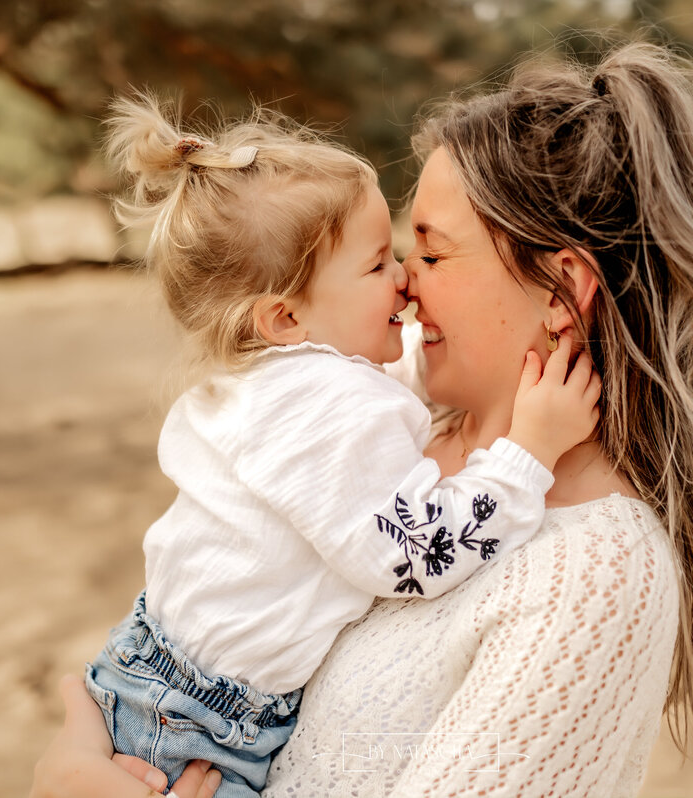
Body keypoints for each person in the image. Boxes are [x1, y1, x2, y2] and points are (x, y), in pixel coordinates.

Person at [31, 41, 693, 798]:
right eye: (390, 256)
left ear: (560, 290)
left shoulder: (592, 578)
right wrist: (66, 770)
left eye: (430, 253)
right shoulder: (396, 425)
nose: (405, 287)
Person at [78, 96, 601, 797]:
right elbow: (413, 554)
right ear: (287, 316)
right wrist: (525, 455)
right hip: (195, 730)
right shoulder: (325, 408)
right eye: (379, 262)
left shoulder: (283, 380)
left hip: (159, 686)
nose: (404, 279)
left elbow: (379, 393)